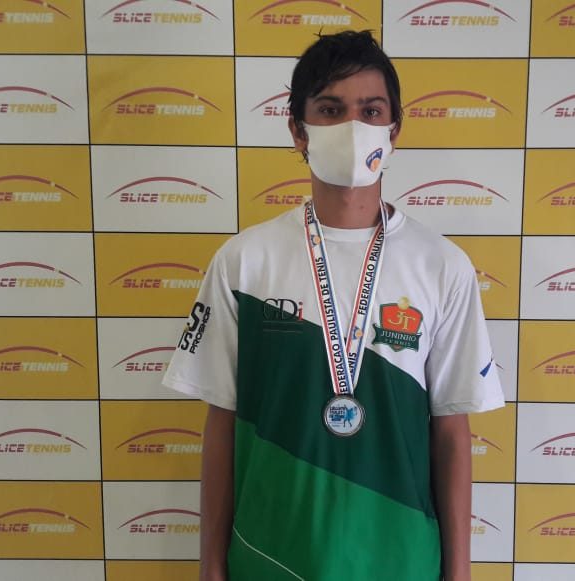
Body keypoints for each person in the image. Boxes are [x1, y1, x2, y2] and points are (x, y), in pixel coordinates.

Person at [162, 30, 504, 581]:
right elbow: (221, 419)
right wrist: (211, 564)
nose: (352, 126)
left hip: (400, 561)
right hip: (271, 557)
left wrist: (459, 573)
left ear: (394, 128)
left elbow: (450, 429)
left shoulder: (442, 265)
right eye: (330, 109)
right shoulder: (243, 261)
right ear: (298, 130)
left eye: (371, 111)